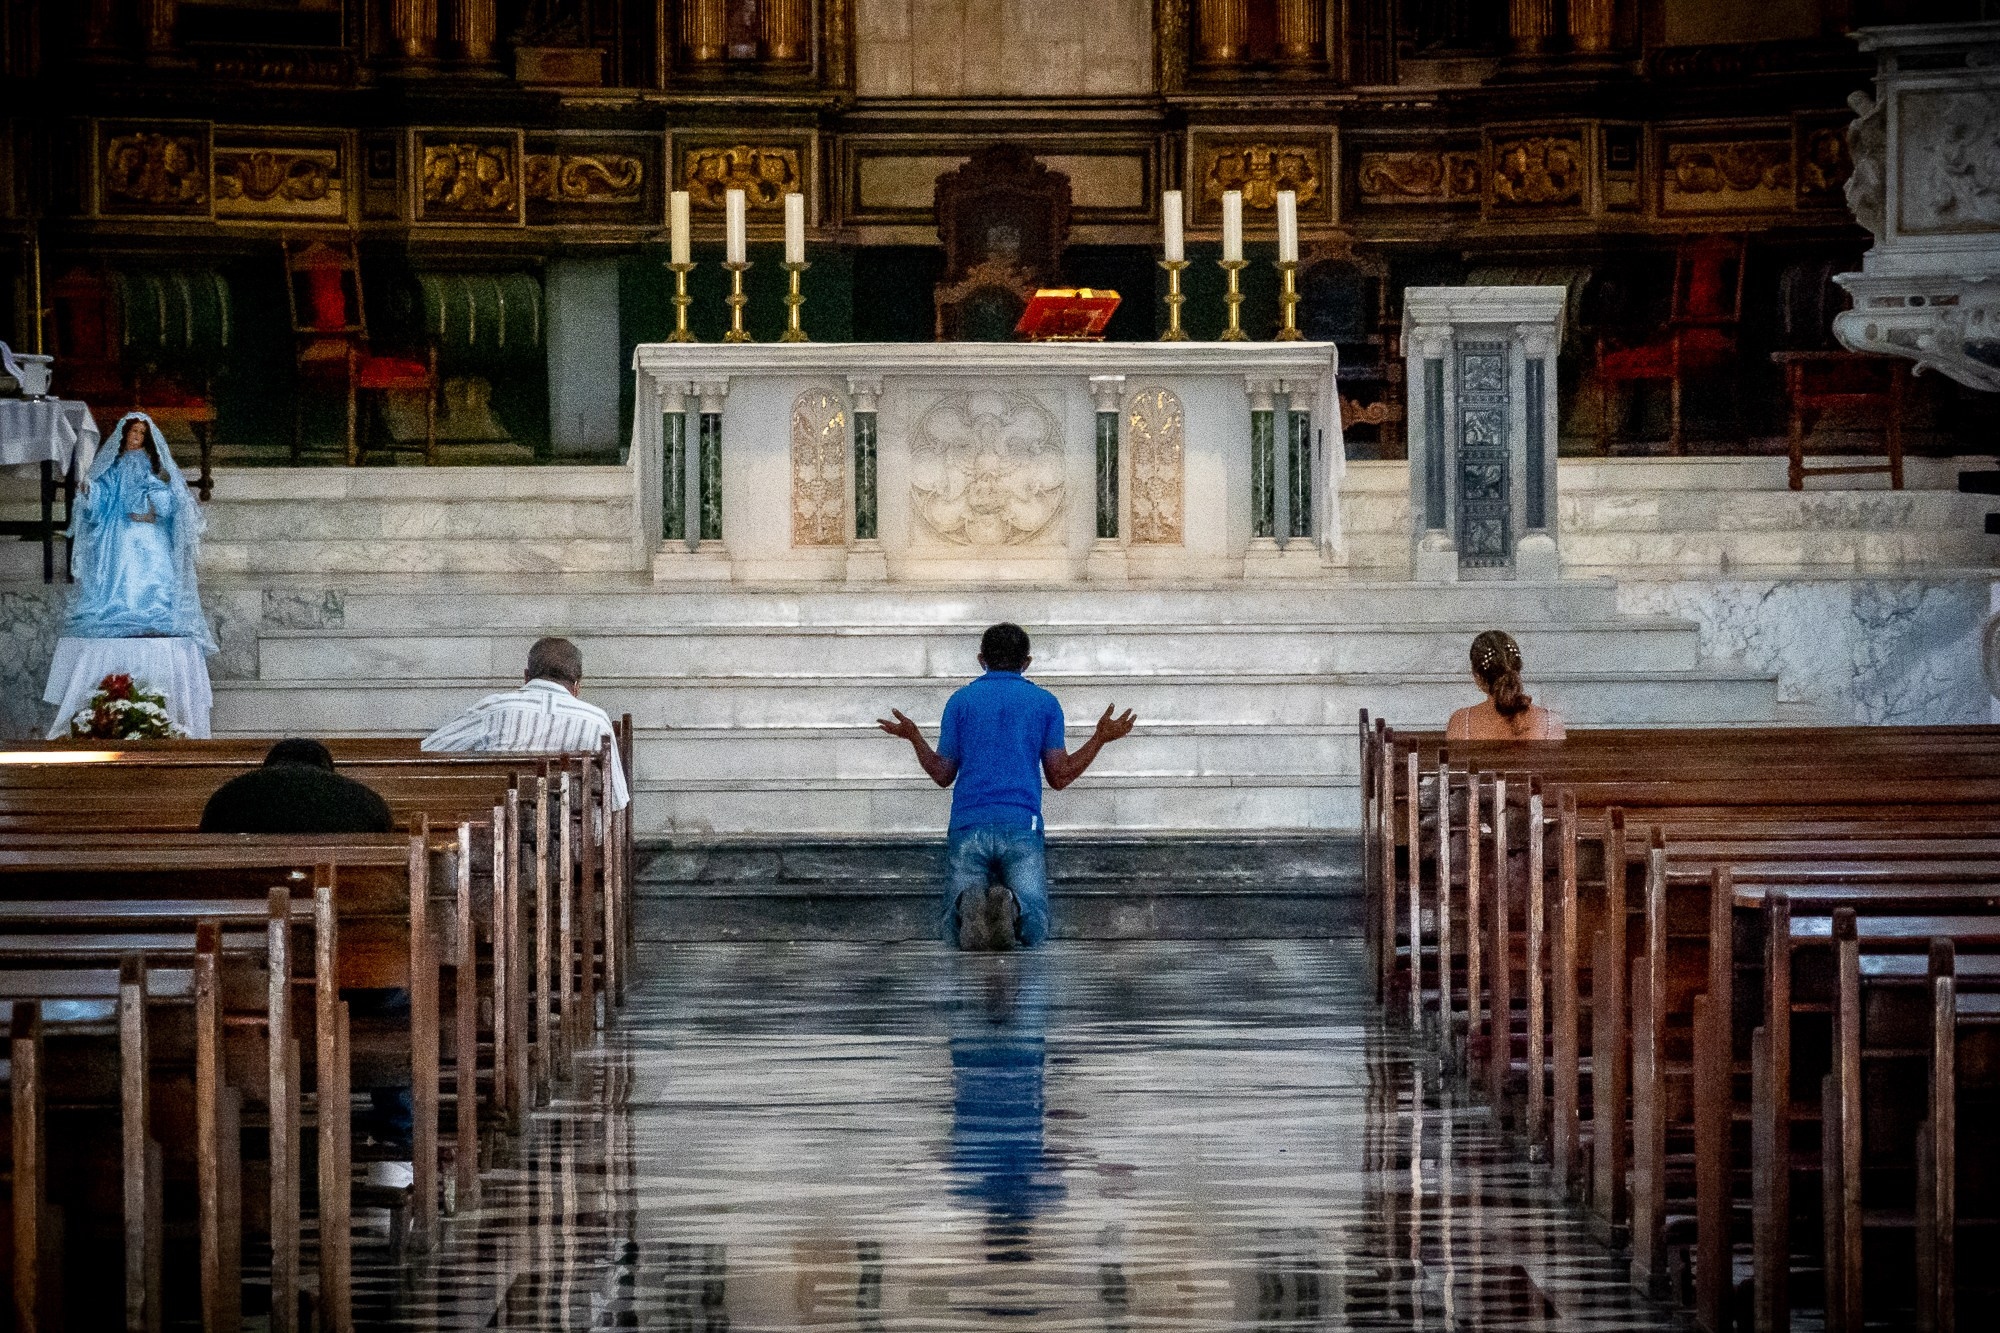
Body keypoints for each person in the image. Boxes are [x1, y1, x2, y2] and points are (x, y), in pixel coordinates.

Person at [878, 622, 1135, 951]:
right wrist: (1099, 739)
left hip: (968, 824)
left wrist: (914, 737)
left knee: (950, 929)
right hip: (1021, 824)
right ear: (1026, 662)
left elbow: (942, 774)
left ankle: (965, 904)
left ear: (980, 659)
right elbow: (1060, 776)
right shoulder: (1044, 703)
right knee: (1036, 921)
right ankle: (1013, 906)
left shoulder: (961, 702)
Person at [422, 635, 630, 811]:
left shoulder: (493, 709)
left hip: (499, 830)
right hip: (576, 842)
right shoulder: (596, 720)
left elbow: (428, 750)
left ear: (526, 676)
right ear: (576, 685)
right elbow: (616, 800)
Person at [65, 412, 216, 652]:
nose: (137, 436)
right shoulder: (113, 466)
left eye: (142, 433)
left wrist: (152, 512)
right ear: (125, 433)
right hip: (116, 523)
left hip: (141, 522)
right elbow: (103, 493)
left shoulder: (143, 464)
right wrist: (90, 490)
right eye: (134, 431)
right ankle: (123, 607)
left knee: (146, 548)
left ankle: (149, 608)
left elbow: (156, 490)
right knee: (122, 548)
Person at [199, 738, 395, 834]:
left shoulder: (227, 797)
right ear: (327, 768)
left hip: (242, 897)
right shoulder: (365, 801)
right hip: (347, 896)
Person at [1446, 630, 1566, 741]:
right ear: (1518, 669)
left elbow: (1454, 764)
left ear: (1477, 677)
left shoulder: (1461, 721)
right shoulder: (1551, 722)